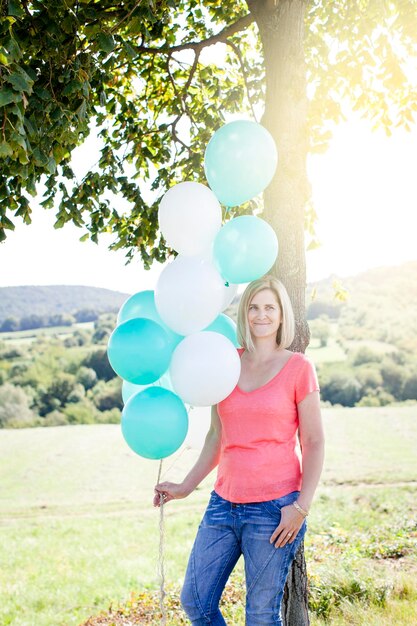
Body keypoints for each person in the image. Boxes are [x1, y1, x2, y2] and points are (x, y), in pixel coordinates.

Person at [154, 275, 325, 626]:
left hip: (275, 510)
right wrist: (185, 486)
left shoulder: (298, 368)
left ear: (281, 316)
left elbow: (314, 442)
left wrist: (300, 508)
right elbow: (217, 436)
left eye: (269, 308)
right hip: (223, 505)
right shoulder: (226, 364)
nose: (261, 315)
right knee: (195, 602)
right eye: (253, 307)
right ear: (244, 313)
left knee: (261, 616)